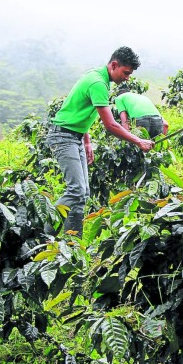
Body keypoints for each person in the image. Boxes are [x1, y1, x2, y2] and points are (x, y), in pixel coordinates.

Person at [46, 46, 154, 237]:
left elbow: (81, 111)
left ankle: (73, 244)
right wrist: (138, 141)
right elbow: (110, 125)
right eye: (126, 72)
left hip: (75, 136)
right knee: (76, 191)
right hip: (63, 136)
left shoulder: (99, 77)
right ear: (114, 65)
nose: (127, 78)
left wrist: (87, 142)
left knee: (83, 193)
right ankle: (42, 234)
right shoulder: (97, 82)